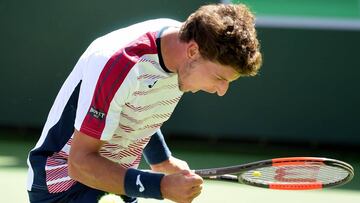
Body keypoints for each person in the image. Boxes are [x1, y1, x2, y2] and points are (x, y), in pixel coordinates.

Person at [27, 3, 262, 203]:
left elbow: (137, 105)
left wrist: (162, 161)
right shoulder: (120, 64)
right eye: (219, 78)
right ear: (192, 52)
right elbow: (79, 164)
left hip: (117, 176)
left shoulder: (181, 50)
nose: (221, 91)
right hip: (63, 183)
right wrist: (161, 186)